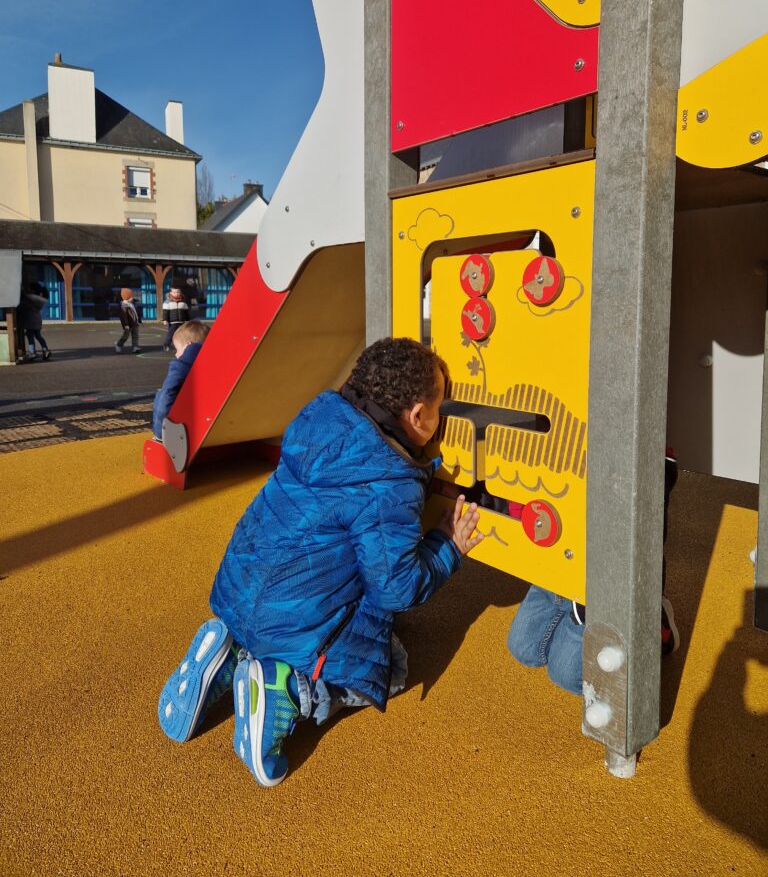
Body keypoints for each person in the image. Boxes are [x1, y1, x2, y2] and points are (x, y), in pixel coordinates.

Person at [157, 337, 483, 787]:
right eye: (440, 407)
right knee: (393, 667)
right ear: (418, 416)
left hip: (239, 592)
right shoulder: (387, 483)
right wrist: (447, 545)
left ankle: (231, 651)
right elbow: (397, 588)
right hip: (292, 623)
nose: (442, 419)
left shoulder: (316, 421)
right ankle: (287, 689)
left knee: (313, 566)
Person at [507, 453, 680, 694]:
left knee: (566, 674)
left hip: (602, 580)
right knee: (524, 648)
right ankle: (566, 601)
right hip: (561, 557)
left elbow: (639, 546)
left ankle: (651, 620)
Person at [152, 320, 210, 440]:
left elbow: (167, 395)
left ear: (189, 346)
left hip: (184, 432)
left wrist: (160, 434)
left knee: (162, 393)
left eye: (177, 349)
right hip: (208, 422)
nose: (176, 355)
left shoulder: (181, 367)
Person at [18, 281, 52, 361]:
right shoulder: (40, 298)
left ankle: (32, 353)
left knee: (30, 336)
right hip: (37, 319)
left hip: (30, 319)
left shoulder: (29, 297)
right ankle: (45, 350)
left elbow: (22, 305)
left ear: (32, 290)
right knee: (38, 336)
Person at [162, 286, 190, 351]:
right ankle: (166, 345)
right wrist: (165, 320)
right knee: (171, 334)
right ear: (171, 293)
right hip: (172, 322)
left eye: (178, 292)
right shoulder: (167, 302)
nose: (176, 293)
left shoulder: (183, 301)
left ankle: (181, 346)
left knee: (182, 334)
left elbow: (186, 312)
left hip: (181, 321)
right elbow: (165, 312)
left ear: (180, 293)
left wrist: (188, 320)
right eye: (174, 292)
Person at [115, 288, 141, 354]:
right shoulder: (124, 305)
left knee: (135, 335)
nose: (132, 298)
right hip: (128, 324)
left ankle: (135, 347)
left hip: (135, 322)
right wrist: (126, 324)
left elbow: (135, 311)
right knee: (126, 335)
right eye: (131, 297)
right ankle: (119, 345)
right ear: (126, 297)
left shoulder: (131, 303)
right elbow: (124, 317)